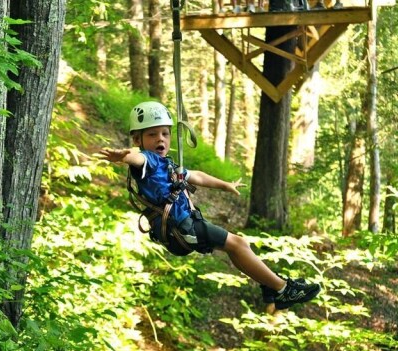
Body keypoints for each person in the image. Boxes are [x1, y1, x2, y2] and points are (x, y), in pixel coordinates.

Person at [99, 101, 320, 310]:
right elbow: (138, 160)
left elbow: (196, 176)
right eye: (152, 134)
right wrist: (125, 156)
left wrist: (225, 185)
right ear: (138, 140)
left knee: (235, 248)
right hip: (182, 226)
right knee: (238, 244)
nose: (161, 139)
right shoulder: (149, 160)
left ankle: (270, 286)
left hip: (186, 224)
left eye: (165, 134)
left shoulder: (167, 164)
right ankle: (282, 289)